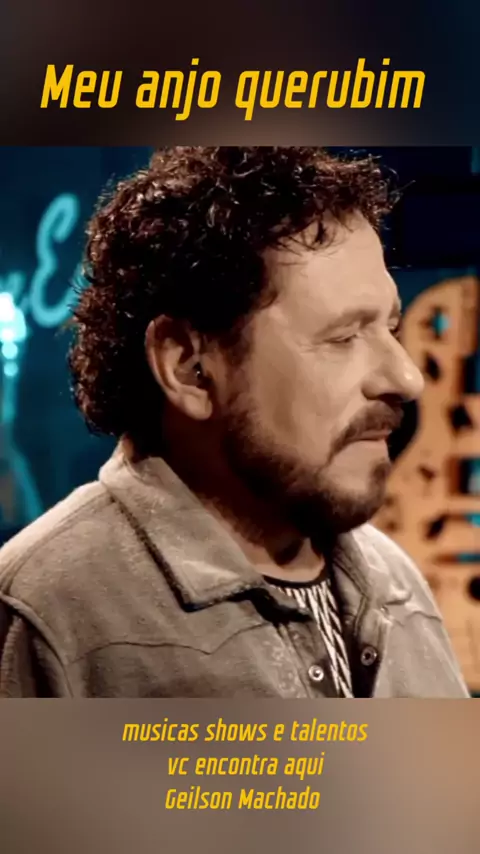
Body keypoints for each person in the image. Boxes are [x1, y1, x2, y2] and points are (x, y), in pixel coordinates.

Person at [0, 147, 469, 698]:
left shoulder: (395, 581)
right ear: (189, 368)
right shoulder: (46, 614)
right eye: (344, 337)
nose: (407, 378)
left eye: (389, 328)